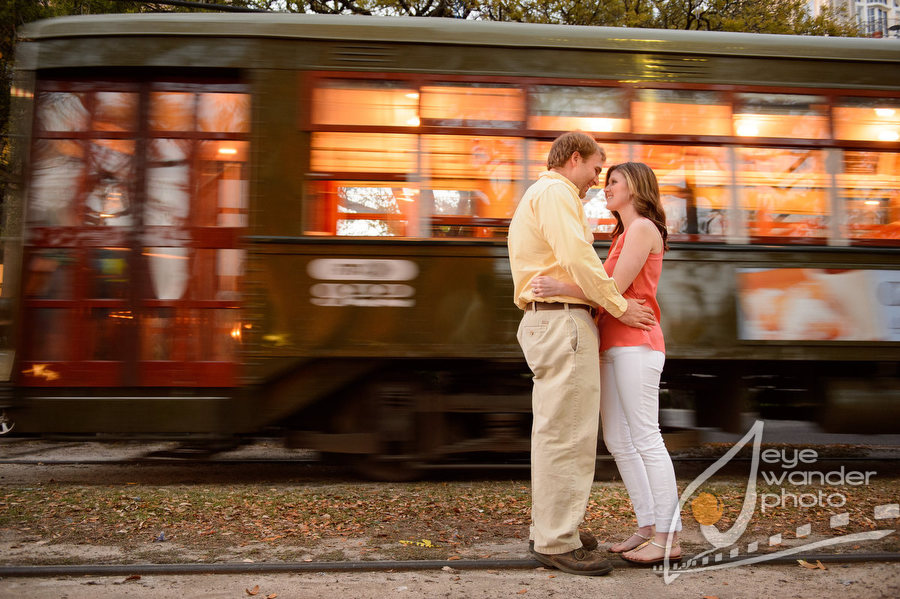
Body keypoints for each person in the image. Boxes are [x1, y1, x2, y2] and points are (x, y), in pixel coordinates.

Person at [508, 133, 656, 576]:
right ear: (574, 158)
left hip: (548, 320)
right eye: (595, 168)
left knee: (556, 431)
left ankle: (552, 527)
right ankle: (557, 539)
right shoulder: (556, 192)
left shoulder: (538, 193)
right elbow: (579, 256)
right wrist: (619, 305)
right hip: (562, 322)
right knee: (568, 435)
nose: (596, 180)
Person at [531, 161, 682, 566]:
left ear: (634, 186)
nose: (605, 187)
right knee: (618, 440)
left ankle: (669, 537)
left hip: (637, 344)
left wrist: (561, 287)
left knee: (646, 437)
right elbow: (608, 291)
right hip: (611, 344)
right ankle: (647, 527)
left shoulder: (643, 228)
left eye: (613, 181)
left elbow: (611, 290)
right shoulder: (620, 235)